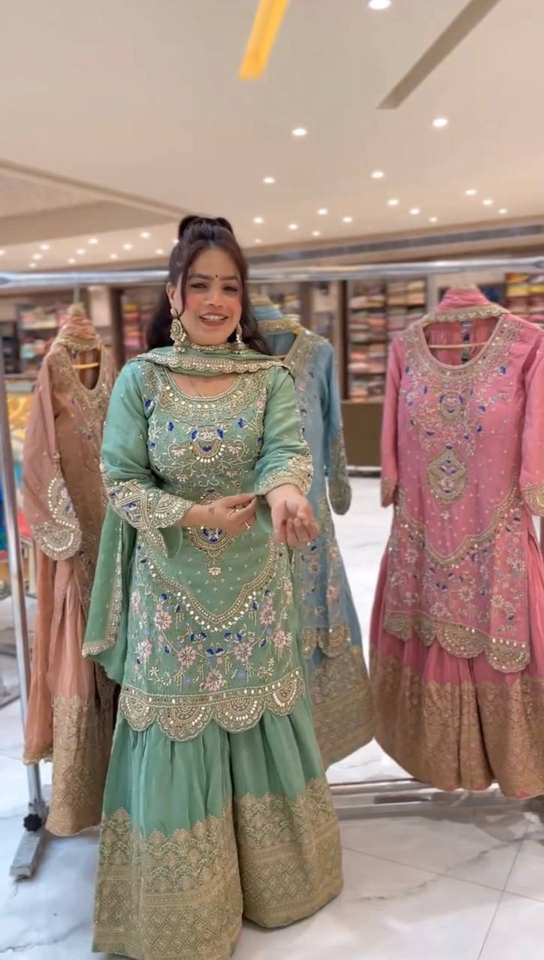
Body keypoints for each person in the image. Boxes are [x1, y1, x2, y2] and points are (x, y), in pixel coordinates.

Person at [83, 216, 342, 960]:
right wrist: (193, 514)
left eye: (230, 287)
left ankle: (278, 884)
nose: (216, 300)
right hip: (168, 590)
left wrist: (286, 494)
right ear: (174, 293)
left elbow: (286, 453)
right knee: (176, 721)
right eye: (200, 285)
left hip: (256, 584)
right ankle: (185, 910)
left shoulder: (269, 379)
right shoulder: (142, 379)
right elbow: (121, 480)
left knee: (259, 714)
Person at [251, 295, 373, 767]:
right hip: (252, 526)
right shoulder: (227, 355)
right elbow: (334, 431)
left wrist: (336, 487)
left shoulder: (318, 351)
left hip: (307, 522)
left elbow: (332, 427)